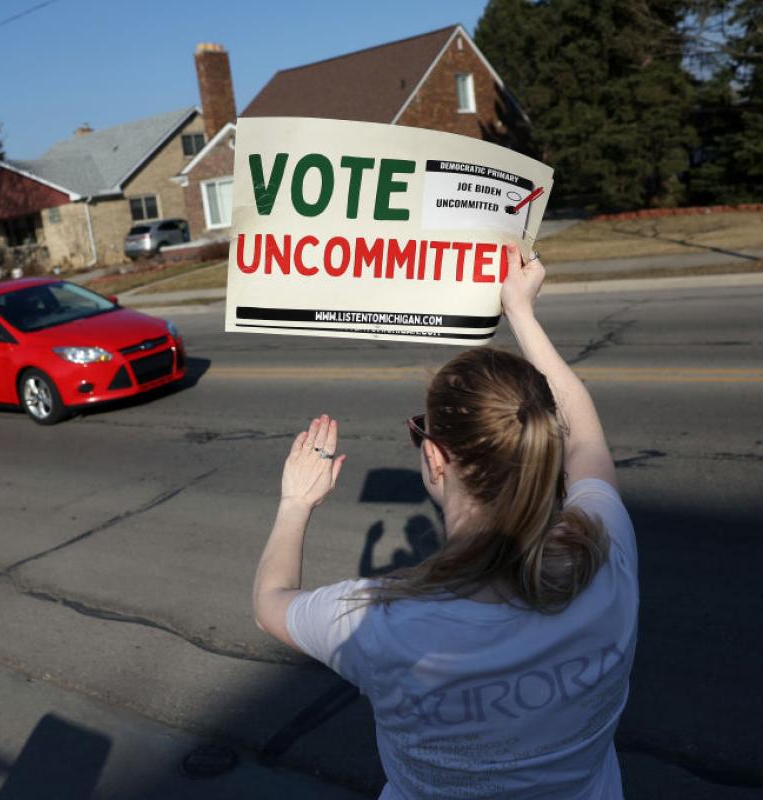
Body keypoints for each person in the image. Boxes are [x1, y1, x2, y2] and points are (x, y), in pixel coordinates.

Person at [252, 245, 638, 799]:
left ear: (436, 457)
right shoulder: (606, 554)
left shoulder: (379, 623)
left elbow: (271, 604)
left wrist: (295, 504)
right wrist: (522, 313)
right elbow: (589, 441)